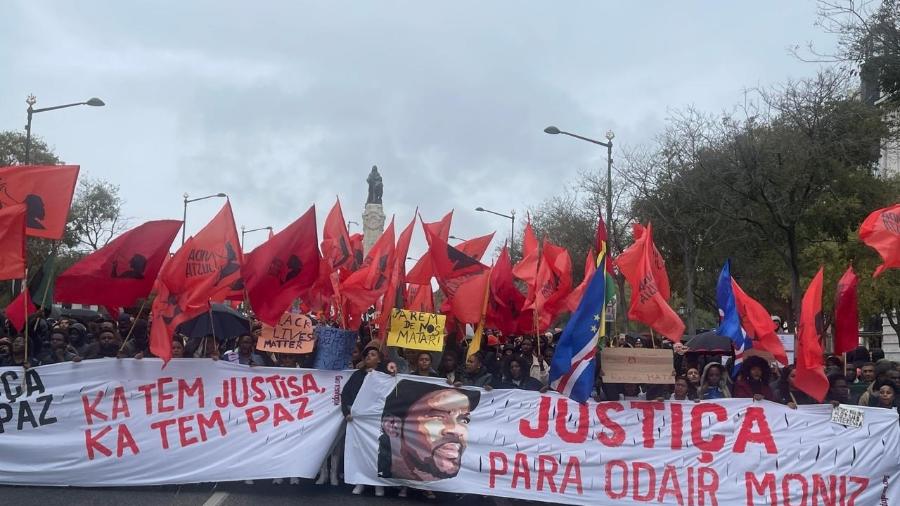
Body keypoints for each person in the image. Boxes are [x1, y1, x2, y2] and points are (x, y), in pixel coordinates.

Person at [377, 380, 480, 482]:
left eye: (463, 420)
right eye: (437, 417)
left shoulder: (458, 493)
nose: (456, 430)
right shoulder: (372, 472)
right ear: (392, 425)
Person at [345, 345, 389, 496]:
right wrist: (347, 412)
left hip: (376, 420)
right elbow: (346, 394)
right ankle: (360, 481)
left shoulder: (385, 376)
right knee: (359, 451)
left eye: (373, 354)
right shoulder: (357, 375)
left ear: (379, 359)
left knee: (377, 451)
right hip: (358, 421)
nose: (369, 357)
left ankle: (378, 484)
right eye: (367, 354)